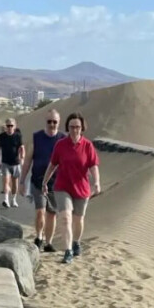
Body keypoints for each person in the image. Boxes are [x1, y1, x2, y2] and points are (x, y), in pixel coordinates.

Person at [41, 113, 101, 264]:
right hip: (63, 186)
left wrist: (97, 182)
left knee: (78, 219)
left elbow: (93, 166)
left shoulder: (87, 146)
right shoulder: (60, 145)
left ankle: (76, 242)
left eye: (78, 127)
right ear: (67, 127)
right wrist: (45, 182)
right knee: (66, 217)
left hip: (81, 187)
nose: (75, 130)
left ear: (82, 128)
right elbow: (53, 165)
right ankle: (68, 250)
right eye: (72, 127)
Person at [20, 109, 65, 252]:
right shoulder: (36, 138)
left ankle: (48, 242)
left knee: (51, 213)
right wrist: (21, 181)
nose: (52, 124)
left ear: (59, 122)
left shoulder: (63, 139)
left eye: (55, 122)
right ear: (45, 122)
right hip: (38, 181)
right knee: (40, 211)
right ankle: (39, 237)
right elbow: (27, 161)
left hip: (56, 184)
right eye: (49, 121)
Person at [0, 118, 24, 208]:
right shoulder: (2, 136)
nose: (10, 127)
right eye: (8, 125)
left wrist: (22, 157)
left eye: (11, 126)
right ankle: (6, 199)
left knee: (15, 184)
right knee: (6, 181)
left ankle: (13, 200)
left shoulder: (18, 136)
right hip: (5, 163)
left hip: (16, 163)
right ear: (6, 126)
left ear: (14, 126)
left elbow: (22, 147)